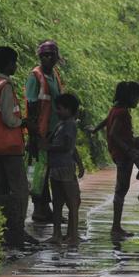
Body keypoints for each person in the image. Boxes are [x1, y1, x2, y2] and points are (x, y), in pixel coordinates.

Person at [0, 47, 39, 247]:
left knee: (2, 189)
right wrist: (23, 122)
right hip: (10, 145)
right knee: (20, 190)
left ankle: (3, 230)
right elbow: (8, 118)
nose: (16, 66)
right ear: (7, 64)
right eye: (14, 62)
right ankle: (17, 232)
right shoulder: (5, 86)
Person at [26, 40, 65, 223]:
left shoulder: (54, 75)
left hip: (54, 131)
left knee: (46, 170)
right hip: (41, 132)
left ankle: (46, 209)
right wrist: (33, 136)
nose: (49, 58)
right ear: (40, 57)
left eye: (52, 55)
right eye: (45, 55)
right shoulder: (35, 76)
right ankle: (39, 210)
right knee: (39, 171)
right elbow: (32, 104)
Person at [41, 93, 84, 245]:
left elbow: (68, 147)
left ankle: (72, 235)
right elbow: (72, 147)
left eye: (59, 109)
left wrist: (48, 147)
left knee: (73, 202)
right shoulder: (61, 124)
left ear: (69, 109)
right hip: (56, 167)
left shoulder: (70, 125)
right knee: (58, 202)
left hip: (65, 167)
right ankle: (57, 234)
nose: (57, 112)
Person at [105, 81, 139, 239]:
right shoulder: (122, 113)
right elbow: (113, 133)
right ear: (129, 97)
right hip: (123, 154)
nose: (138, 101)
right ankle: (116, 227)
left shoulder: (116, 109)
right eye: (137, 98)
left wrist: (95, 129)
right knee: (121, 189)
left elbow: (107, 121)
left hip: (123, 151)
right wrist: (129, 151)